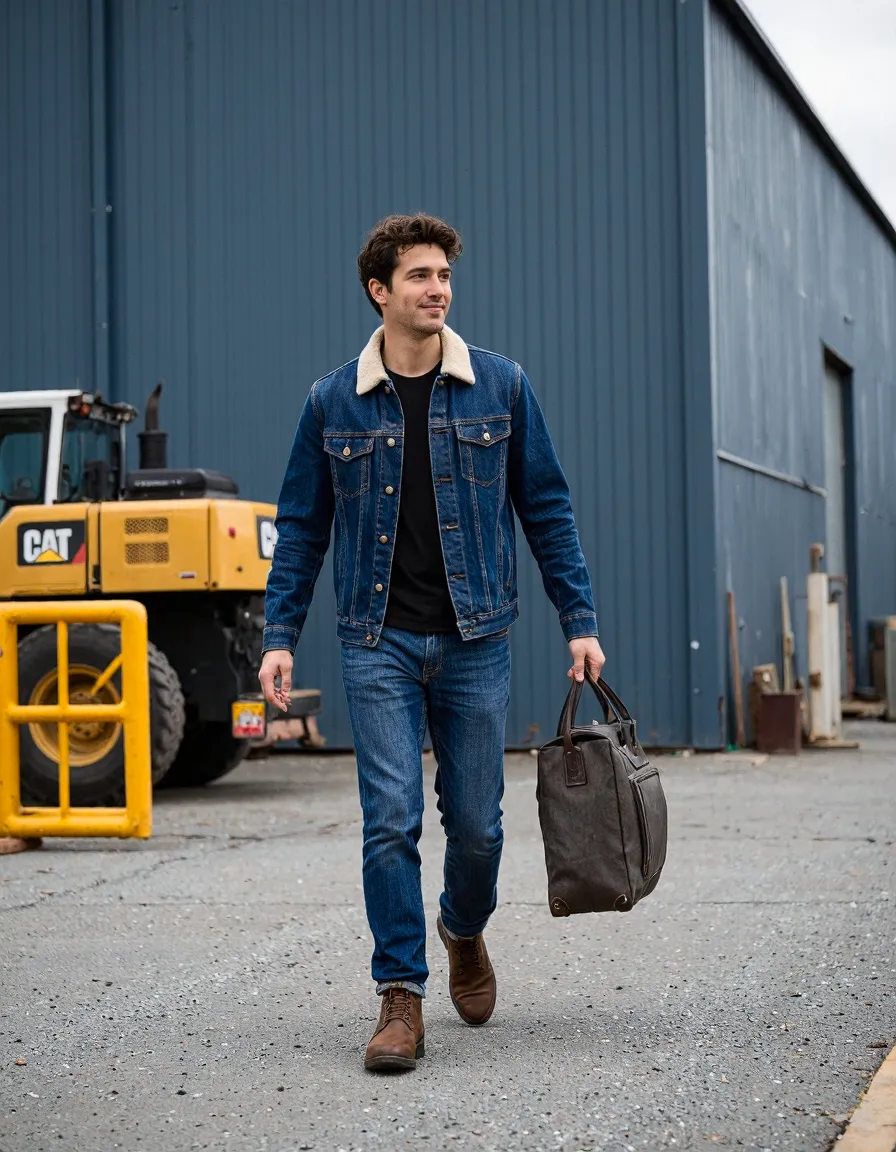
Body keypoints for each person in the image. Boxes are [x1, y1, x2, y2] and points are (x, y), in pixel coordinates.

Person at [259, 213, 605, 1072]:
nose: (438, 288)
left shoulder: (501, 386)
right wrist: (279, 636)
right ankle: (400, 996)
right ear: (379, 290)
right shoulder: (332, 401)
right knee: (389, 820)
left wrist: (580, 620)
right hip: (375, 639)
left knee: (478, 828)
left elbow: (547, 509)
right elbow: (301, 527)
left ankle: (463, 927)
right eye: (419, 275)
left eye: (444, 274)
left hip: (476, 638)